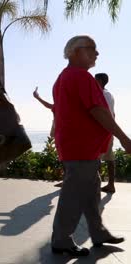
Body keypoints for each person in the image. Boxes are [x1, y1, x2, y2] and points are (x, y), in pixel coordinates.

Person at [50, 35, 130, 257]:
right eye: (91, 49)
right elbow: (98, 111)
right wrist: (124, 137)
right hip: (81, 149)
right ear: (75, 52)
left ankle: (98, 232)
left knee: (91, 192)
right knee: (74, 195)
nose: (97, 53)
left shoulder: (63, 78)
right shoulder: (81, 77)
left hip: (78, 147)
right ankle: (61, 240)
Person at [95, 73, 116, 193]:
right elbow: (113, 113)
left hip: (102, 131)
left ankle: (95, 186)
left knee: (95, 159)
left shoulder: (102, 94)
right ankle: (110, 185)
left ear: (99, 81)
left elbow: (102, 113)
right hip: (109, 129)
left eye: (94, 80)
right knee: (109, 157)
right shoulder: (109, 94)